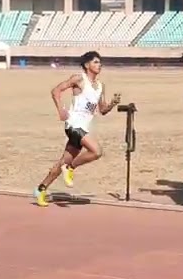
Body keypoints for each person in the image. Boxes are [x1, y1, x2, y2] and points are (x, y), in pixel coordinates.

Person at [34, 51, 120, 208]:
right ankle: (70, 167)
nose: (99, 65)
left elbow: (102, 110)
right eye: (95, 62)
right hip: (73, 124)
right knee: (96, 151)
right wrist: (60, 109)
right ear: (87, 65)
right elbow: (56, 91)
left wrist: (113, 103)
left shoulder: (100, 86)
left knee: (62, 162)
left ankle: (41, 189)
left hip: (84, 127)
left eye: (100, 62)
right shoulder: (79, 79)